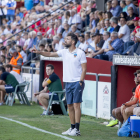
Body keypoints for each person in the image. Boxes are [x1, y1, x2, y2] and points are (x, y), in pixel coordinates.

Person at [32, 33, 87, 136]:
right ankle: (72, 128)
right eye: (65, 39)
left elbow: (84, 69)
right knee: (69, 105)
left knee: (76, 105)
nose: (65, 41)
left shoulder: (80, 53)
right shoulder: (64, 52)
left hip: (77, 82)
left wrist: (80, 81)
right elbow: (49, 54)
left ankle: (77, 130)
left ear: (73, 42)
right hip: (68, 83)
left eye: (67, 39)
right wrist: (39, 52)